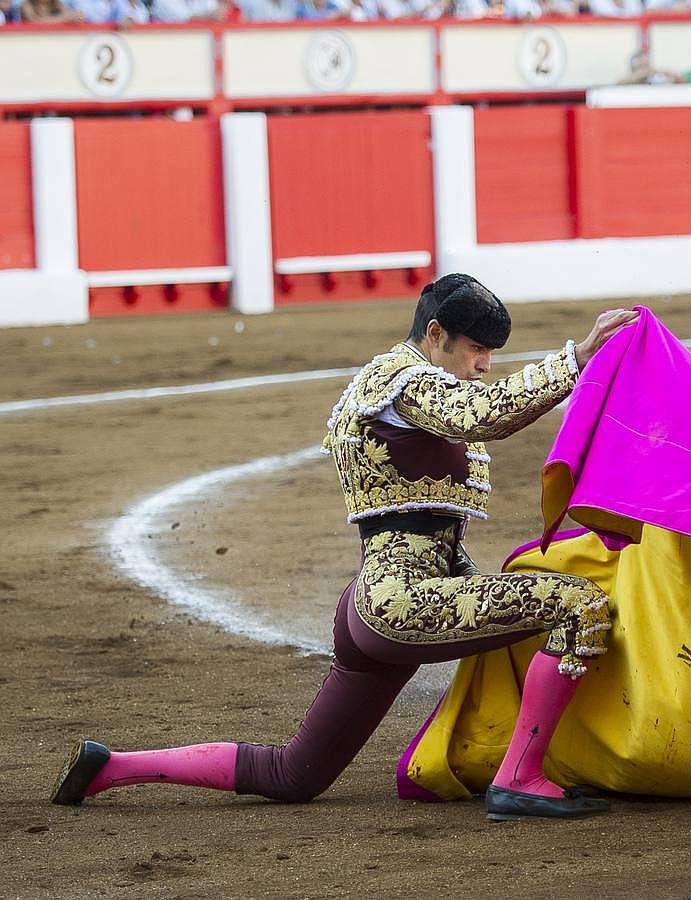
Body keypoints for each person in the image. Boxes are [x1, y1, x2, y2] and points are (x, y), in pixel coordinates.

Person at [53, 276, 639, 821]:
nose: (484, 365)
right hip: (404, 603)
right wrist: (575, 361)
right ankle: (520, 777)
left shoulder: (401, 381)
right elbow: (482, 416)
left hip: (376, 604)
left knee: (293, 774)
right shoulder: (402, 382)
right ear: (435, 335)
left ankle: (114, 766)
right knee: (577, 605)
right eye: (475, 350)